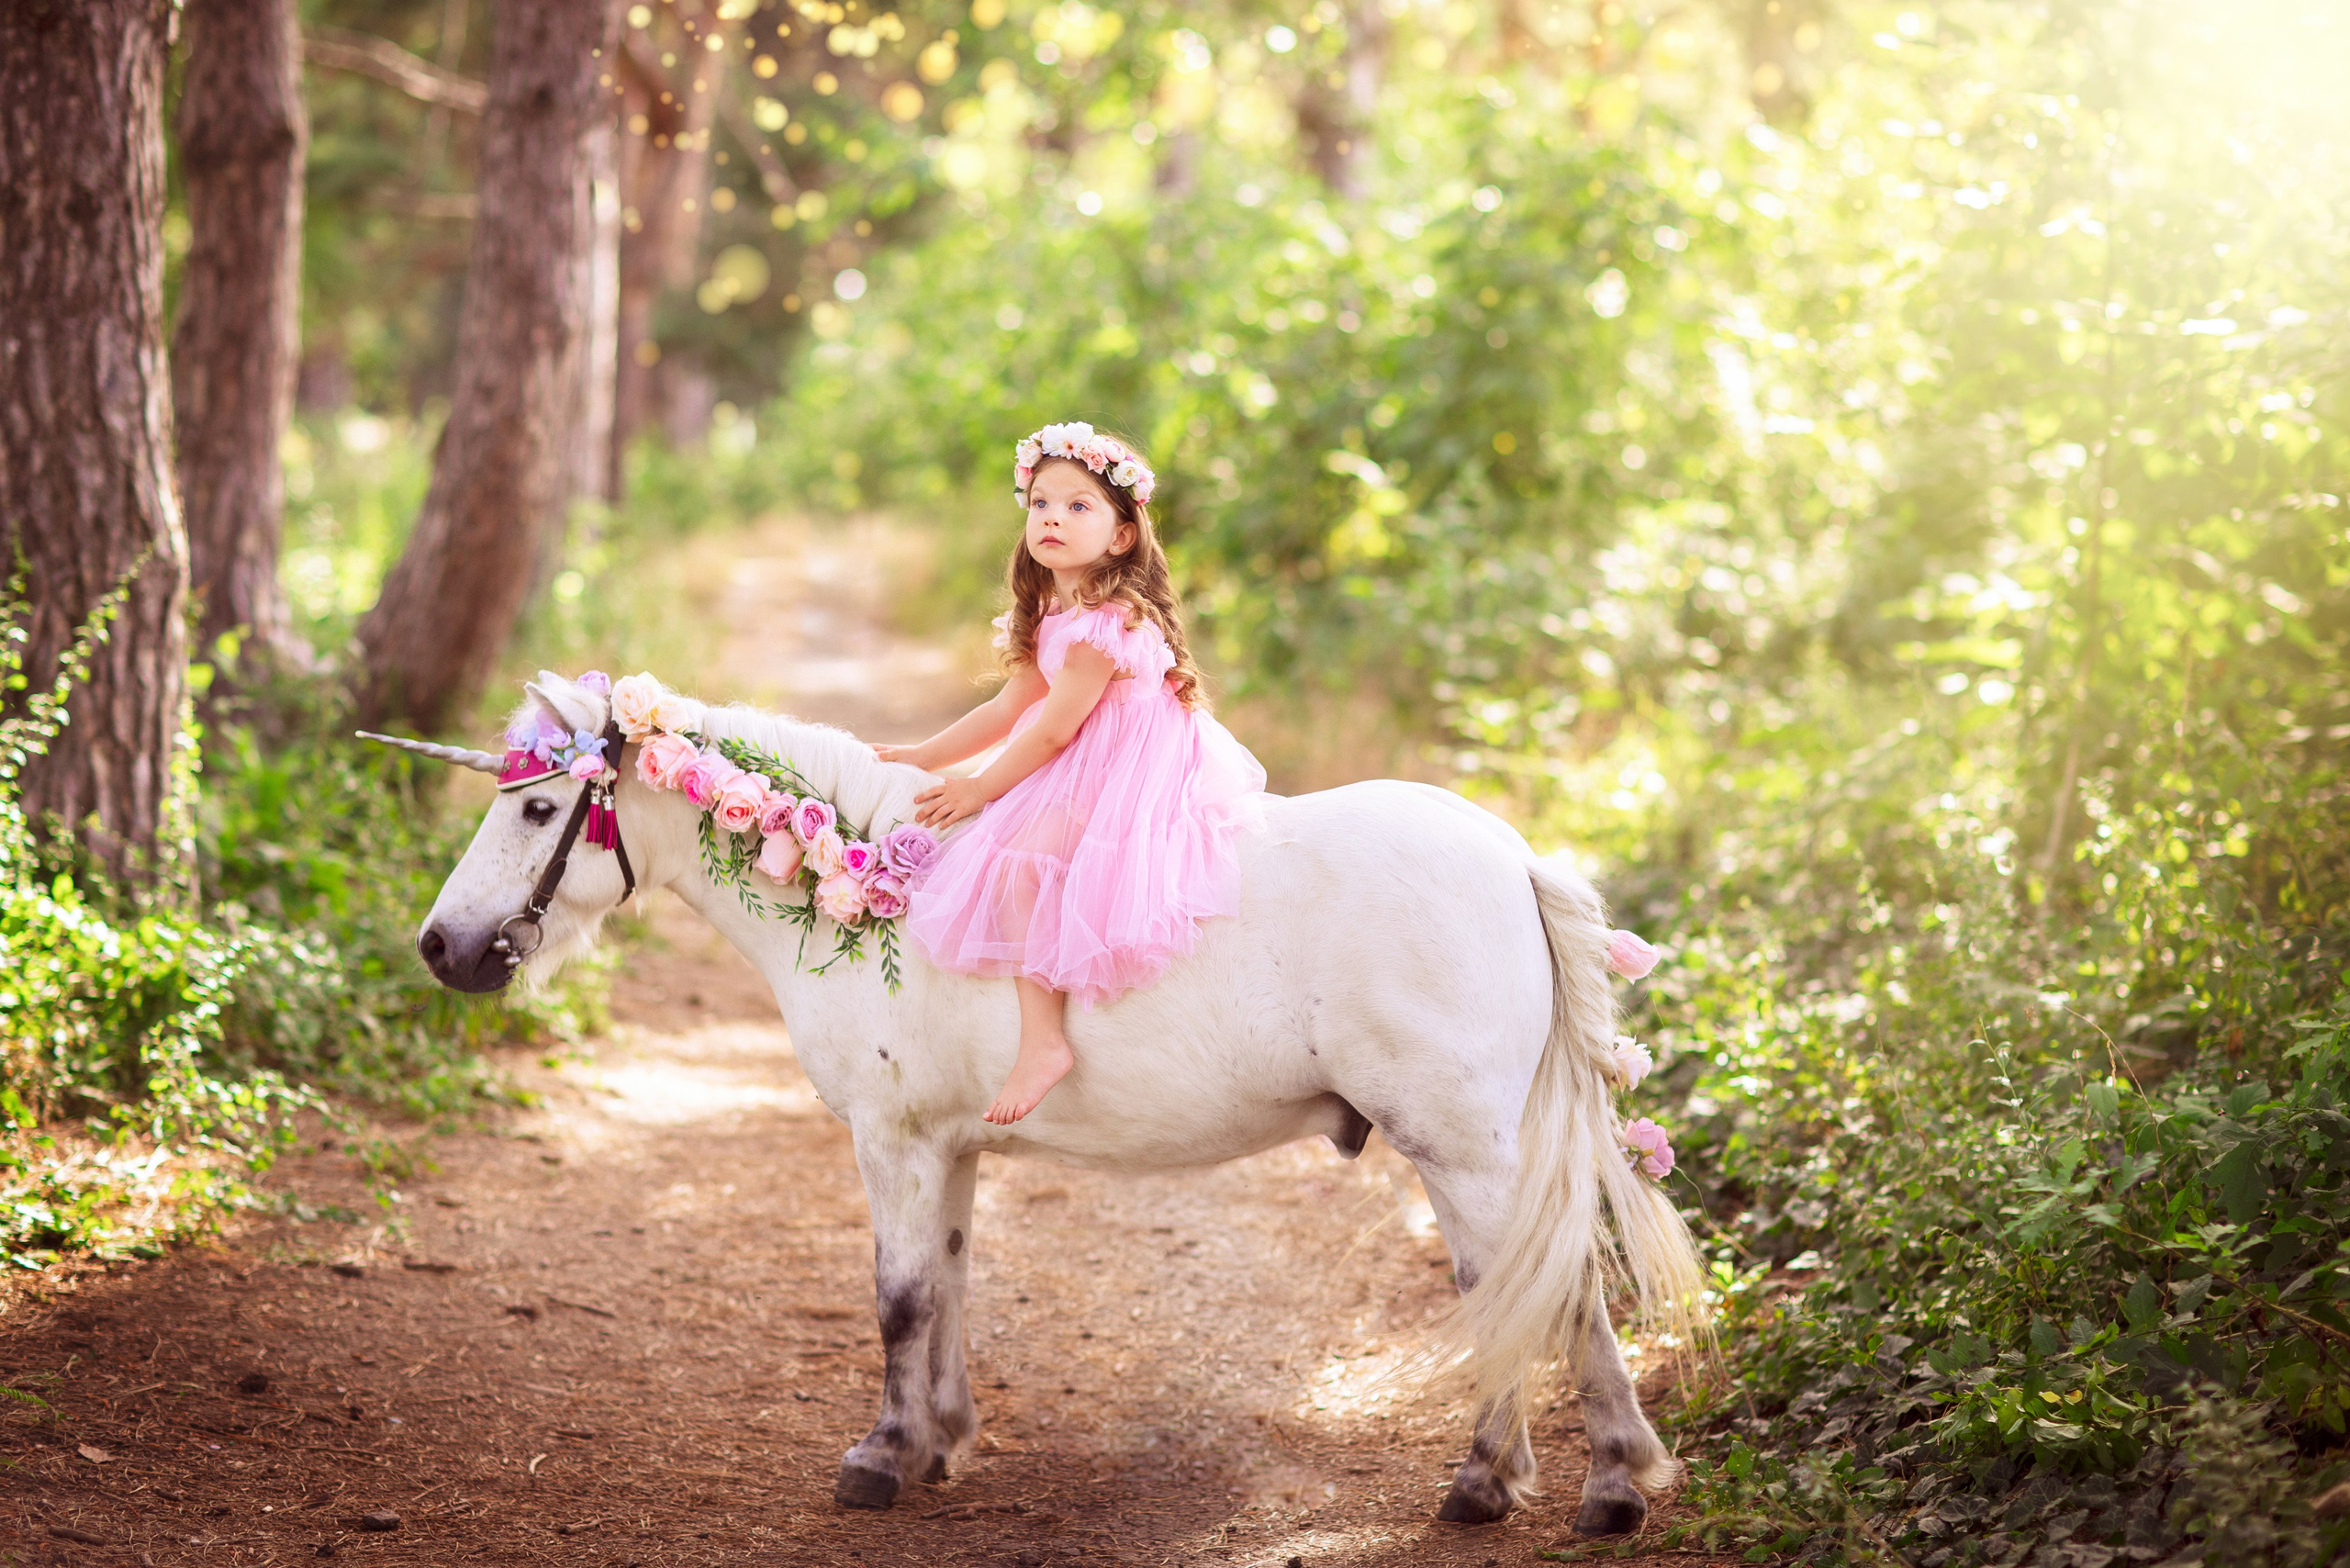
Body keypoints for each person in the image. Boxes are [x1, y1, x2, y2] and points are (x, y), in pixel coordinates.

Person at [874, 423, 1266, 1124]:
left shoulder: (1107, 621)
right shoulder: (1053, 609)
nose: (1052, 516)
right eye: (1041, 503)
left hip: (1128, 763)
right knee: (1003, 840)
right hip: (1086, 751)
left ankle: (1044, 1041)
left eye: (1079, 506)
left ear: (1121, 536)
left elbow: (1055, 731)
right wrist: (924, 756)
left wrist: (978, 788)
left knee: (1023, 863)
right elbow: (1012, 705)